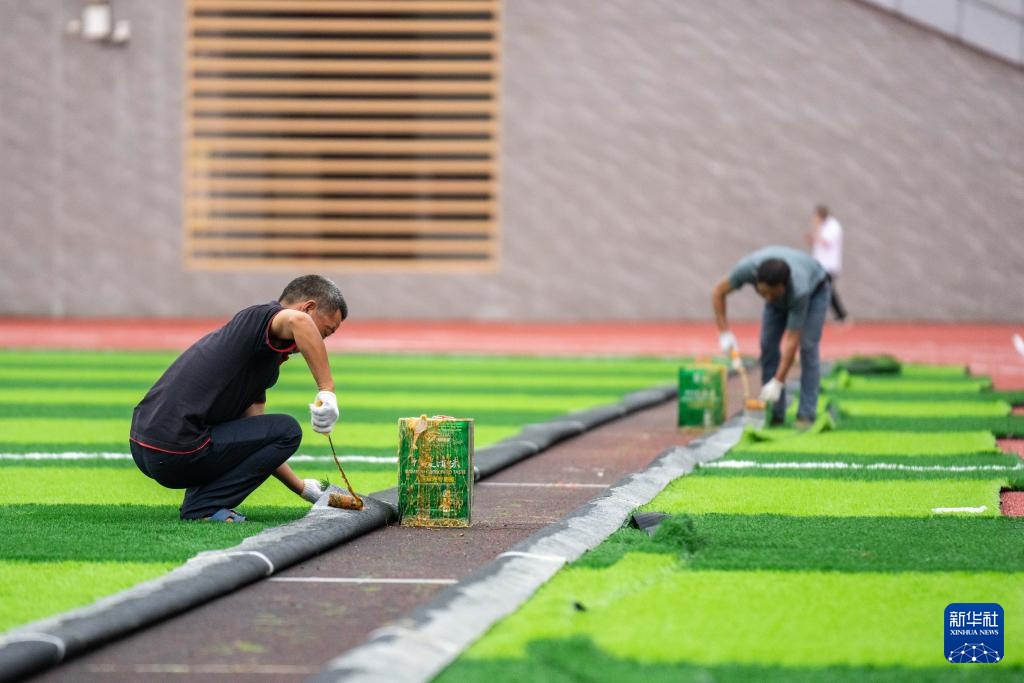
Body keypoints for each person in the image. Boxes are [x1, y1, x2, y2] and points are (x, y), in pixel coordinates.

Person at [129, 275, 346, 522]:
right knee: (289, 429)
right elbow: (299, 322)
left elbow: (257, 443)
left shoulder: (262, 362)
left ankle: (202, 506)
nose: (321, 340)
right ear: (308, 308)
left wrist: (301, 488)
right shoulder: (264, 316)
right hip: (175, 449)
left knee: (277, 432)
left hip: (148, 446)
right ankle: (203, 508)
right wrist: (326, 389)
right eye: (325, 332)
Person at [712, 247, 830, 427]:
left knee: (808, 346)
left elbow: (791, 342)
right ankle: (775, 413)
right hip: (780, 299)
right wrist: (724, 333)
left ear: (784, 286)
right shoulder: (747, 270)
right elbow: (718, 292)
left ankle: (806, 413)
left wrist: (778, 381)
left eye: (772, 293)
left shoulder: (800, 290)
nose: (767, 297)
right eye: (763, 292)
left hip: (816, 291)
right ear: (756, 281)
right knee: (767, 344)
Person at [806, 204, 848, 323]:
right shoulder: (823, 226)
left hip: (829, 265)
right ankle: (840, 315)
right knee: (825, 290)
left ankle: (841, 315)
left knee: (826, 290)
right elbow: (816, 243)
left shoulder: (833, 226)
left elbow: (825, 242)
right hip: (820, 264)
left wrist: (817, 228)